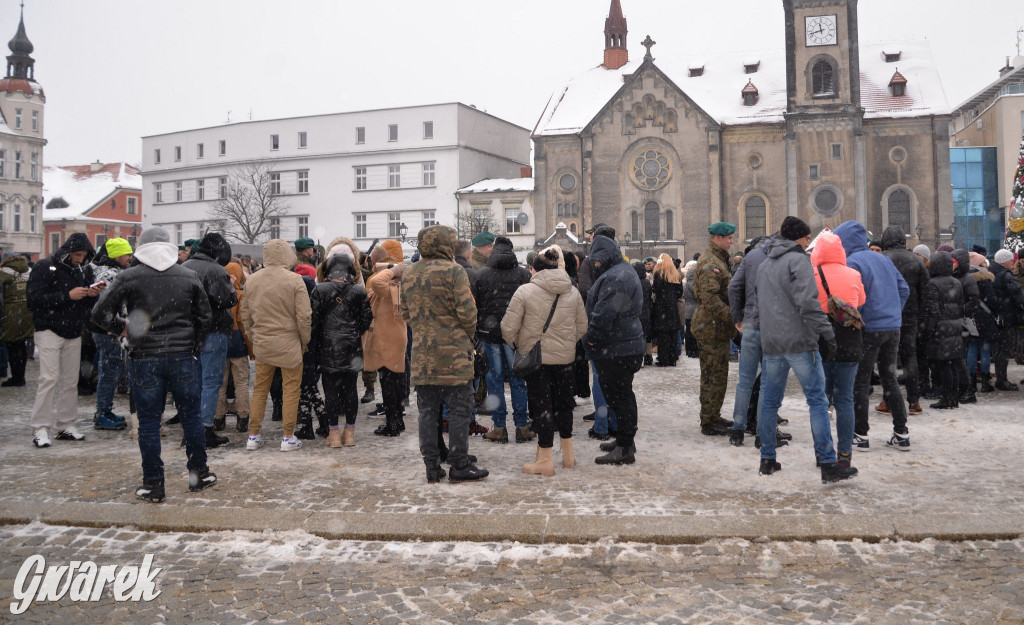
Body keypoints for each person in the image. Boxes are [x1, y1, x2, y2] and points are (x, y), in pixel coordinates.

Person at [91, 226, 215, 503]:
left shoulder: (128, 276)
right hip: (182, 356)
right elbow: (205, 317)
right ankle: (199, 473)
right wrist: (192, 344)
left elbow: (99, 313)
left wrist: (122, 328)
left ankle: (153, 484)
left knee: (148, 421)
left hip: (144, 356)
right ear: (169, 246)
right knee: (191, 416)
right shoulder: (188, 275)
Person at [755, 217, 857, 483]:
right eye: (805, 237)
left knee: (769, 401)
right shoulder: (798, 260)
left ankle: (767, 459)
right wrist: (827, 332)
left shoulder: (765, 264)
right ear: (798, 238)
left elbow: (758, 307)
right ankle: (827, 462)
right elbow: (808, 303)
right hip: (799, 341)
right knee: (817, 401)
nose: (806, 242)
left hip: (773, 342)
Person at [401, 225, 489, 483]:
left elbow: (405, 313)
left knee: (428, 412)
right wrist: (461, 332)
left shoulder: (409, 273)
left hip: (422, 357)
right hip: (454, 358)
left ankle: (432, 466)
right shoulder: (454, 272)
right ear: (446, 245)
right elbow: (468, 314)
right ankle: (459, 465)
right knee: (460, 411)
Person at [502, 245, 588, 476]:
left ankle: (546, 459)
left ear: (535, 270)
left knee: (542, 408)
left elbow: (507, 328)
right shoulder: (573, 291)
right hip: (566, 358)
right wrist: (567, 343)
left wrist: (520, 345)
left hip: (536, 360)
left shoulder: (525, 292)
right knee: (564, 405)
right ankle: (568, 456)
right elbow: (582, 326)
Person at [834, 220, 910, 452]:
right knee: (890, 378)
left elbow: (852, 296)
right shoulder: (883, 259)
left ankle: (861, 434)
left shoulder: (852, 262)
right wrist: (893, 312)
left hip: (868, 328)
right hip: (893, 327)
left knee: (861, 381)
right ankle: (901, 432)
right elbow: (904, 289)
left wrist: (859, 316)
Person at [26, 233, 103, 448]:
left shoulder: (83, 269)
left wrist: (91, 294)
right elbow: (33, 300)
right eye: (77, 255)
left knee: (71, 381)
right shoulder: (45, 266)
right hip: (49, 328)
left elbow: (88, 304)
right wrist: (66, 296)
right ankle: (40, 427)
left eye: (83, 255)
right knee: (49, 378)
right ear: (68, 251)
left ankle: (65, 424)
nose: (80, 259)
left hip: (74, 330)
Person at [240, 239, 312, 452]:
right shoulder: (295, 280)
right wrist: (304, 340)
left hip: (263, 343)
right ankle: (287, 436)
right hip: (289, 342)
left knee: (260, 389)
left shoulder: (253, 280)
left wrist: (253, 335)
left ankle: (253, 435)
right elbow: (304, 316)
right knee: (291, 389)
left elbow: (245, 313)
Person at [584, 235, 644, 465]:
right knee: (621, 395)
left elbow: (605, 312)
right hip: (622, 345)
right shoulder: (621, 271)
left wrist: (591, 339)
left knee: (620, 397)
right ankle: (624, 440)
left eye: (597, 259)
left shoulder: (617, 277)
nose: (595, 264)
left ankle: (625, 447)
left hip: (617, 347)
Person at [811, 231, 865, 468]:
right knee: (845, 399)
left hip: (820, 339)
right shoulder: (853, 273)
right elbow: (860, 300)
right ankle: (845, 455)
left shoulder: (812, 274)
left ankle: (823, 453)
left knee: (820, 401)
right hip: (849, 338)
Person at [473, 236, 532, 444]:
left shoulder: (481, 275)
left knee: (494, 382)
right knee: (518, 381)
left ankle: (499, 427)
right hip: (514, 336)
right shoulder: (523, 274)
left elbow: (476, 306)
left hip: (489, 336)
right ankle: (522, 427)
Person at [311, 252, 373, 448]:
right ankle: (350, 434)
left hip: (328, 346)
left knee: (330, 391)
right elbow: (366, 320)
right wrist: (353, 330)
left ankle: (334, 434)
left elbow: (313, 322)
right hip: (351, 346)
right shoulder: (358, 290)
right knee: (351, 390)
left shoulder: (319, 290)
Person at [182, 233, 238, 448]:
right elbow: (228, 299)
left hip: (189, 331)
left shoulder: (185, 266)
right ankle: (204, 429)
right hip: (214, 331)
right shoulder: (216, 270)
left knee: (193, 382)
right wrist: (231, 285)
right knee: (212, 382)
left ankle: (191, 428)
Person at [691, 222, 738, 436]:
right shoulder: (711, 262)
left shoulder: (719, 259)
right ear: (716, 238)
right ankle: (709, 421)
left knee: (718, 373)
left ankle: (713, 415)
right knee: (712, 375)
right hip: (711, 327)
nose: (731, 241)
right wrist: (732, 317)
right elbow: (708, 297)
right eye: (728, 237)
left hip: (716, 326)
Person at [727, 235, 772, 446]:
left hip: (751, 325)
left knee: (745, 381)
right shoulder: (785, 256)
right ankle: (762, 432)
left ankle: (738, 429)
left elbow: (734, 287)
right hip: (774, 327)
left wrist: (738, 317)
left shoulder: (751, 256)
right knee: (766, 382)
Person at [879, 226, 928, 416]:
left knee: (887, 358)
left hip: (887, 316)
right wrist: (920, 316)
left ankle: (888, 401)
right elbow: (926, 292)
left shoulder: (882, 260)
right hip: (910, 317)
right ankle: (914, 401)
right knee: (910, 357)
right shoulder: (917, 261)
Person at [88, 238, 135, 430]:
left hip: (109, 329)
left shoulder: (112, 271)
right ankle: (102, 413)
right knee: (109, 371)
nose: (130, 257)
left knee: (110, 370)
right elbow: (106, 307)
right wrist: (119, 326)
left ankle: (104, 410)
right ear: (116, 255)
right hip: (108, 330)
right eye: (127, 254)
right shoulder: (109, 275)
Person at [365, 240, 409, 436]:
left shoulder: (391, 286)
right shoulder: (399, 287)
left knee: (389, 383)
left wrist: (392, 269)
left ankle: (392, 423)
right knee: (395, 382)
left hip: (388, 340)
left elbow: (375, 281)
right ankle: (397, 420)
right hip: (396, 338)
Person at [921, 251, 966, 411]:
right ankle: (953, 398)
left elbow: (932, 311)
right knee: (952, 364)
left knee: (944, 366)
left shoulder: (932, 284)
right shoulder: (956, 282)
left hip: (940, 329)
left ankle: (947, 398)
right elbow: (961, 307)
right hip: (954, 327)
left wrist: (928, 330)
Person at [214, 260, 252, 433]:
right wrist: (250, 346)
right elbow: (243, 322)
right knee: (241, 383)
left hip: (220, 340)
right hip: (237, 341)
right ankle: (243, 419)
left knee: (220, 383)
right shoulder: (240, 295)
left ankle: (218, 419)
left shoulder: (216, 294)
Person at [989, 249, 1024, 391]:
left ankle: (1001, 379)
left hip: (999, 317)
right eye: (1010, 259)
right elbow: (1018, 294)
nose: (1013, 262)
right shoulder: (1006, 275)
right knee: (1005, 349)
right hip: (1008, 317)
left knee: (999, 350)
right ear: (1004, 261)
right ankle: (1002, 381)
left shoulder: (992, 272)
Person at [951, 248, 982, 404]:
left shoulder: (967, 279)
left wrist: (961, 311)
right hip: (955, 321)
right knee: (956, 358)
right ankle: (963, 389)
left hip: (962, 322)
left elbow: (974, 300)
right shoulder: (956, 277)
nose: (951, 264)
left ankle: (968, 390)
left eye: (954, 262)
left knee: (959, 358)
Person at [0, 253, 33, 388]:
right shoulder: (29, 271)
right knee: (21, 344)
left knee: (12, 345)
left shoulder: (4, 272)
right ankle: (21, 376)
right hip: (27, 312)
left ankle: (16, 378)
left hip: (10, 312)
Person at [650, 253, 683, 367]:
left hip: (661, 308)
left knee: (663, 335)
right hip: (672, 308)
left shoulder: (659, 274)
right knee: (673, 334)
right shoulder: (676, 275)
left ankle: (663, 358)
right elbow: (680, 292)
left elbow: (655, 290)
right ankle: (672, 358)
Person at [632, 261, 653, 367]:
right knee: (646, 336)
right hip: (646, 312)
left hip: (637, 313)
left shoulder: (634, 283)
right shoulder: (646, 283)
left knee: (638, 336)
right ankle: (648, 356)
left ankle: (640, 358)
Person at [682, 260, 700, 358]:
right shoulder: (698, 285)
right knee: (696, 332)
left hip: (687, 311)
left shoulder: (684, 285)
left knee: (688, 332)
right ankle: (695, 351)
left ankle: (689, 350)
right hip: (696, 310)